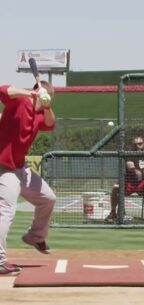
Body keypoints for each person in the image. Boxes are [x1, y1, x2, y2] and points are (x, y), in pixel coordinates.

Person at [0, 81, 56, 275]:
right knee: (6, 211)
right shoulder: (20, 101)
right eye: (47, 96)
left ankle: (35, 236)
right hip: (3, 165)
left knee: (48, 198)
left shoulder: (40, 115)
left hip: (20, 168)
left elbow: (50, 124)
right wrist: (31, 94)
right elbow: (2, 90)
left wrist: (47, 106)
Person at [106, 136, 144, 222]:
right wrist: (135, 170)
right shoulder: (128, 155)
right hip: (128, 183)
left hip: (142, 184)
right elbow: (129, 165)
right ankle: (113, 212)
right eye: (135, 144)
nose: (137, 146)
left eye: (140, 144)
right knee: (115, 187)